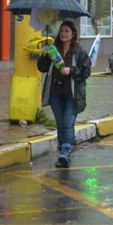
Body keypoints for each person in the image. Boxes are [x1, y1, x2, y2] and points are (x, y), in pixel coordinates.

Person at [37, 21, 91, 168]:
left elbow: (86, 71)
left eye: (67, 31)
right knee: (60, 126)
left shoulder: (79, 51)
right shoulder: (53, 50)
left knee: (68, 124)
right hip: (55, 93)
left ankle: (66, 153)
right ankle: (62, 152)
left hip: (72, 95)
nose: (63, 34)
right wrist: (43, 56)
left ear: (73, 34)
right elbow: (42, 68)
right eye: (61, 31)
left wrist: (71, 70)